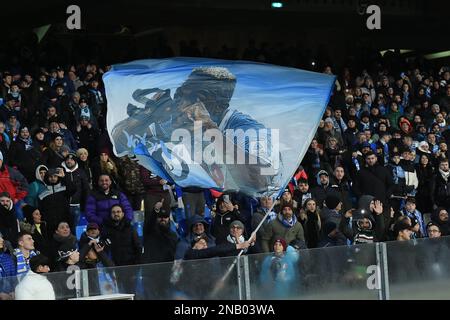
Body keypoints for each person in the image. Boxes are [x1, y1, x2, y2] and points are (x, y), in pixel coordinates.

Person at [38, 168, 76, 234]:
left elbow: (73, 189)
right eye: (50, 177)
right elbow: (42, 210)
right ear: (47, 178)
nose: (53, 178)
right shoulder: (42, 193)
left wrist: (64, 177)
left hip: (66, 221)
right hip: (51, 225)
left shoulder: (64, 188)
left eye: (55, 176)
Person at [142, 200, 178, 264]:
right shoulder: (150, 231)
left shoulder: (173, 235)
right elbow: (150, 222)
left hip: (167, 270)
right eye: (160, 217)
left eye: (165, 217)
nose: (163, 219)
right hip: (151, 268)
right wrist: (155, 211)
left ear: (169, 219)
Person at [61, 152, 90, 228]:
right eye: (67, 159)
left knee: (76, 227)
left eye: (71, 160)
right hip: (64, 206)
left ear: (75, 161)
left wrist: (86, 204)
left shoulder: (81, 172)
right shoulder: (61, 172)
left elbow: (86, 189)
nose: (69, 161)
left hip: (77, 205)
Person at [0, 233, 16, 300]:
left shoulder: (7, 257)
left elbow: (14, 277)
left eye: (1, 237)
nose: (2, 240)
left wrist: (14, 290)